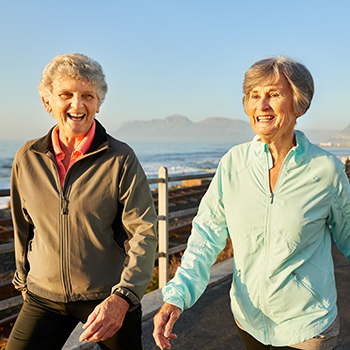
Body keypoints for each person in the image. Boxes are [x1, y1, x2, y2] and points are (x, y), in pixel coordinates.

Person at [153, 56, 350, 350]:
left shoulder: (326, 170)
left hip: (308, 326)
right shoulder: (233, 163)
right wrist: (176, 297)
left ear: (300, 104)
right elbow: (206, 236)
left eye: (273, 94)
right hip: (249, 321)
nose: (261, 105)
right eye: (254, 96)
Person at [7, 53, 158, 350]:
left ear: (98, 103)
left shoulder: (121, 158)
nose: (77, 105)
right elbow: (22, 227)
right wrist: (23, 281)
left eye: (87, 95)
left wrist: (124, 296)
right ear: (47, 102)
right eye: (66, 94)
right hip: (43, 297)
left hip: (108, 297)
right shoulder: (27, 158)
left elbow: (144, 230)